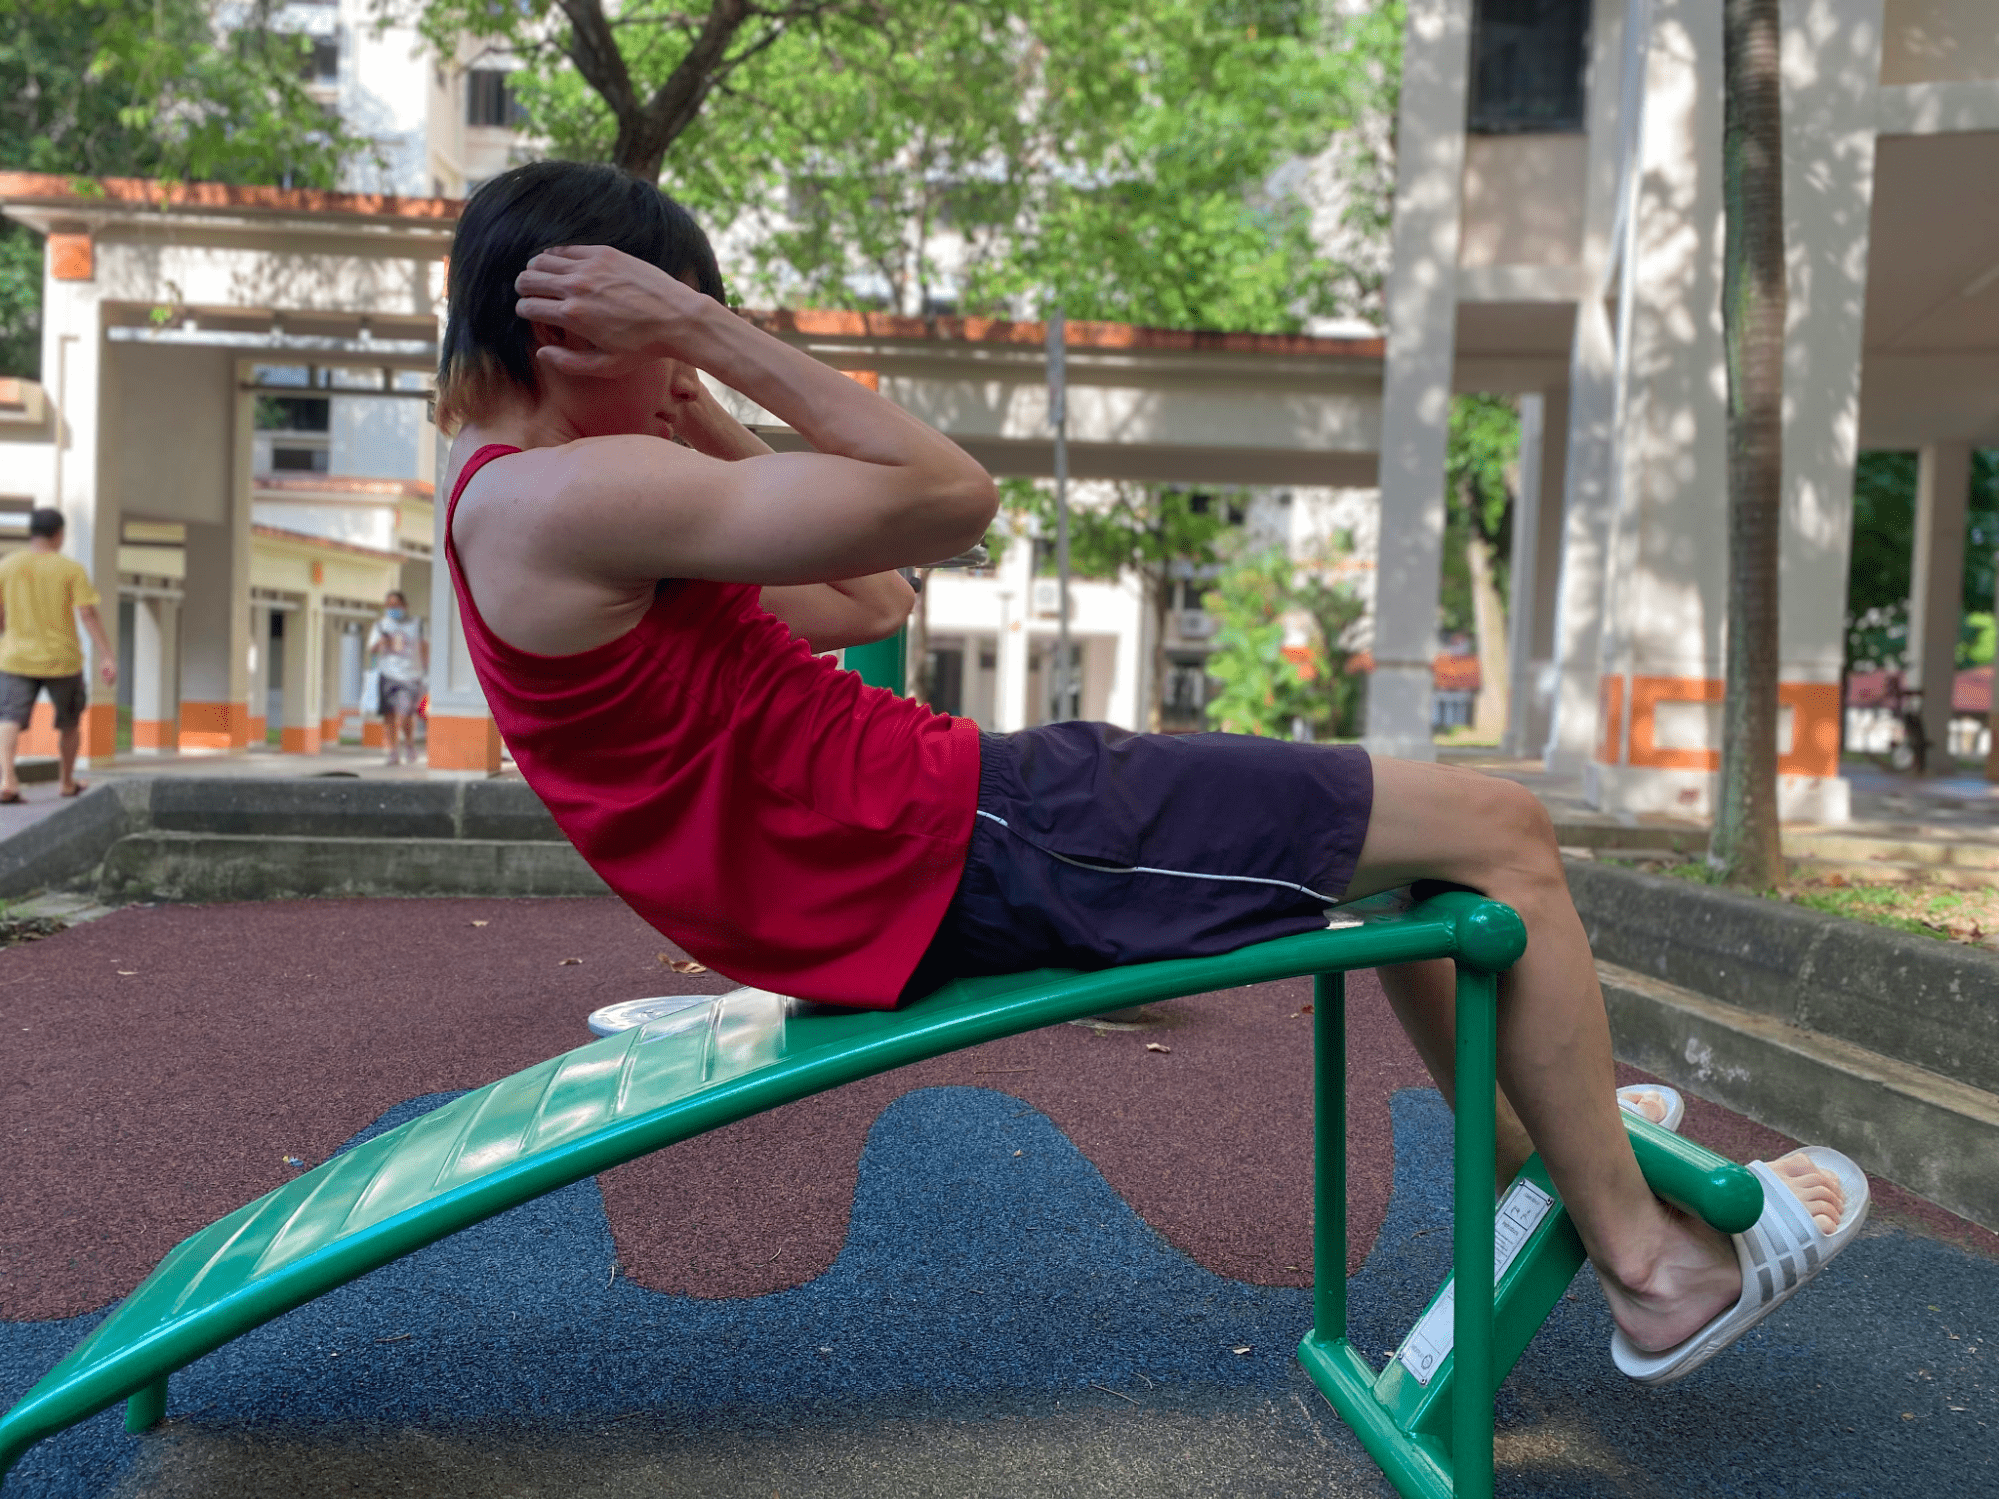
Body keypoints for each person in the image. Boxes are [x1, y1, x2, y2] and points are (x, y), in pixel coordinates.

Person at [436, 160, 1861, 1387]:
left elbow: (871, 598)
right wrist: (709, 330)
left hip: (911, 840)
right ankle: (1653, 1272)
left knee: (1433, 854)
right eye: (660, 335)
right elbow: (948, 499)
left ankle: (1534, 1163)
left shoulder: (527, 494)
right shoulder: (568, 495)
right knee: (1499, 828)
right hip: (946, 840)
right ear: (575, 330)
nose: (680, 371)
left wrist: (690, 400)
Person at [0, 508, 117, 801]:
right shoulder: (70, 569)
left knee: (9, 718)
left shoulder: (7, 566)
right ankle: (66, 782)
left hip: (16, 658)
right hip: (62, 660)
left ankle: (7, 780)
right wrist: (106, 655)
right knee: (69, 723)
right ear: (59, 535)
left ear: (31, 532)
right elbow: (87, 613)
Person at [365, 590, 427, 765]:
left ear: (404, 606)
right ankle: (393, 750)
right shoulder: (381, 625)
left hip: (411, 676)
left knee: (406, 714)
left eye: (396, 605)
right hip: (387, 674)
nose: (392, 609)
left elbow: (424, 646)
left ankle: (409, 744)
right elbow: (372, 649)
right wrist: (381, 643)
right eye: (389, 605)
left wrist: (426, 670)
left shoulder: (416, 624)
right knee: (389, 715)